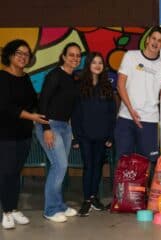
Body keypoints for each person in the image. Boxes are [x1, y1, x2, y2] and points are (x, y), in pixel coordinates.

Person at [114, 26, 161, 177]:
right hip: (126, 118)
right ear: (147, 40)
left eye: (160, 41)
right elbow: (120, 85)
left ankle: (143, 199)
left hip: (149, 121)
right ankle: (119, 200)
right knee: (122, 162)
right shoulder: (130, 56)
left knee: (147, 165)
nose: (156, 42)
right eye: (154, 38)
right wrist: (131, 110)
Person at [0, 39, 49, 229]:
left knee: (15, 173)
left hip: (24, 134)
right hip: (5, 134)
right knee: (6, 173)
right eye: (19, 53)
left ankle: (13, 208)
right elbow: (5, 106)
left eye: (26, 54)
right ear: (10, 55)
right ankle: (6, 212)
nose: (23, 57)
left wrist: (46, 113)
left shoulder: (25, 77)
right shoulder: (2, 77)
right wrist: (32, 117)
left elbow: (32, 102)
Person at [36, 42, 82, 223]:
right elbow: (43, 102)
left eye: (78, 56)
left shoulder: (74, 78)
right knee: (59, 166)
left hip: (64, 126)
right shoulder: (54, 75)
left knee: (60, 167)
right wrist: (46, 128)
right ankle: (50, 209)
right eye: (71, 55)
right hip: (50, 125)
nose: (75, 58)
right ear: (63, 56)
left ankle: (60, 205)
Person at [71, 52, 115, 216]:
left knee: (97, 167)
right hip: (85, 135)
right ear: (88, 65)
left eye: (100, 63)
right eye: (94, 62)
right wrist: (76, 136)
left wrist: (110, 136)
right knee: (88, 166)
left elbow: (112, 113)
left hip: (102, 135)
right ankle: (86, 200)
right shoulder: (80, 86)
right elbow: (75, 114)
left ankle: (94, 197)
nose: (97, 65)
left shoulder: (107, 87)